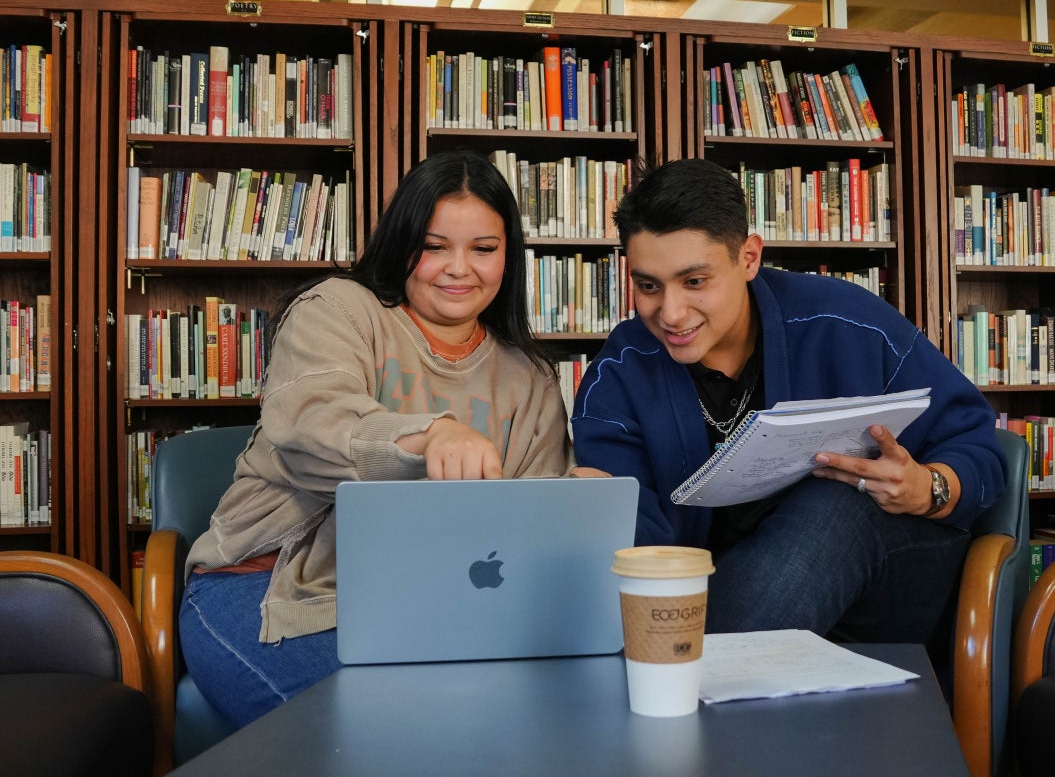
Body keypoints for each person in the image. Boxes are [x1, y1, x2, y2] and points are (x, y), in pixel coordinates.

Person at [179, 150, 572, 727]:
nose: (458, 268)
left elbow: (529, 534)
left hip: (432, 605)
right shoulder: (338, 308)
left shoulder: (531, 377)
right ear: (400, 243)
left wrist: (571, 507)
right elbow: (310, 424)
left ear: (508, 257)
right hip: (268, 589)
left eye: (483, 249)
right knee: (401, 731)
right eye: (434, 246)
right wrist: (432, 436)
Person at [571, 157, 1006, 643]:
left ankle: (707, 685)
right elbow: (646, 557)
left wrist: (928, 488)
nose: (670, 313)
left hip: (886, 578)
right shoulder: (619, 374)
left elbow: (980, 447)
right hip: (723, 596)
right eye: (648, 286)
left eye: (695, 282)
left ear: (749, 257)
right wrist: (600, 509)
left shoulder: (847, 322)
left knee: (836, 503)